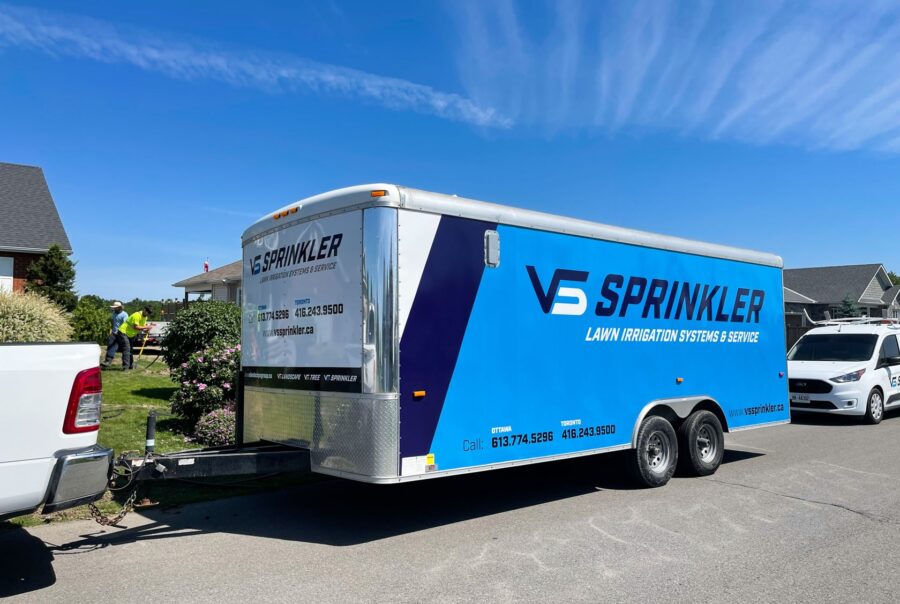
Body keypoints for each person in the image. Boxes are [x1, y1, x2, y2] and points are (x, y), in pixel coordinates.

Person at [100, 301, 129, 369]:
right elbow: (113, 322)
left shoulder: (124, 314)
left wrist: (119, 331)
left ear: (119, 308)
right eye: (114, 308)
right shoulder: (114, 313)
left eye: (115, 308)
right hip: (114, 333)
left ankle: (126, 365)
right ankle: (107, 362)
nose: (114, 309)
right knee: (110, 347)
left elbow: (125, 324)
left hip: (122, 334)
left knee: (125, 349)